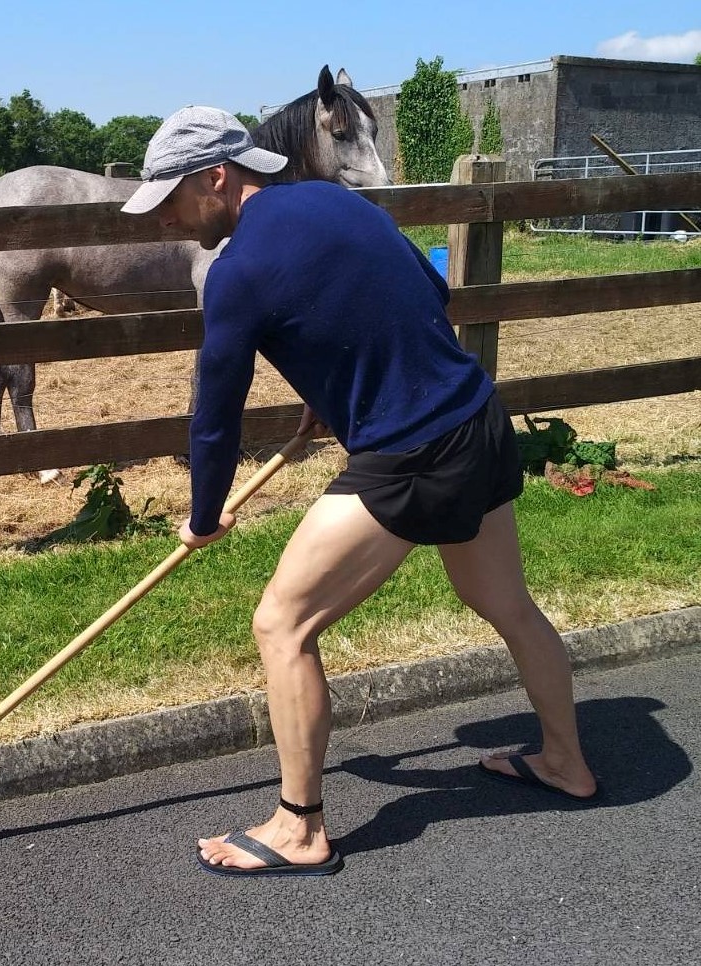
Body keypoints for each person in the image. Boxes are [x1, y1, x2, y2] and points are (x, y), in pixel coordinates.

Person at [121, 106, 600, 878]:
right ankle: (565, 762)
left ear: (217, 177)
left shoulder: (236, 271)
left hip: (412, 453)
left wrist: (202, 517)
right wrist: (340, 385)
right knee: (505, 601)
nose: (167, 219)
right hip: (477, 418)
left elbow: (213, 419)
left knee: (282, 625)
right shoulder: (336, 199)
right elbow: (424, 292)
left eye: (172, 199)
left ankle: (299, 828)